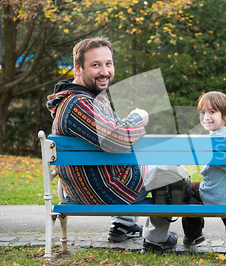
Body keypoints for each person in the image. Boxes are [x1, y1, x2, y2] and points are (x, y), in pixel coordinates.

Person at [46, 37, 182, 253]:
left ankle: (123, 225)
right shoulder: (79, 104)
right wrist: (139, 116)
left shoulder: (85, 99)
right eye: (95, 65)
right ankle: (157, 239)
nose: (104, 71)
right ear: (78, 69)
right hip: (101, 190)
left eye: (108, 64)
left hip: (88, 183)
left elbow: (114, 132)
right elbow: (117, 139)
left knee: (142, 163)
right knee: (174, 173)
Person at [182, 91, 226, 253]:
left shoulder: (217, 139)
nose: (206, 117)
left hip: (217, 194)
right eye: (202, 112)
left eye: (212, 112)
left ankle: (193, 233)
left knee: (186, 190)